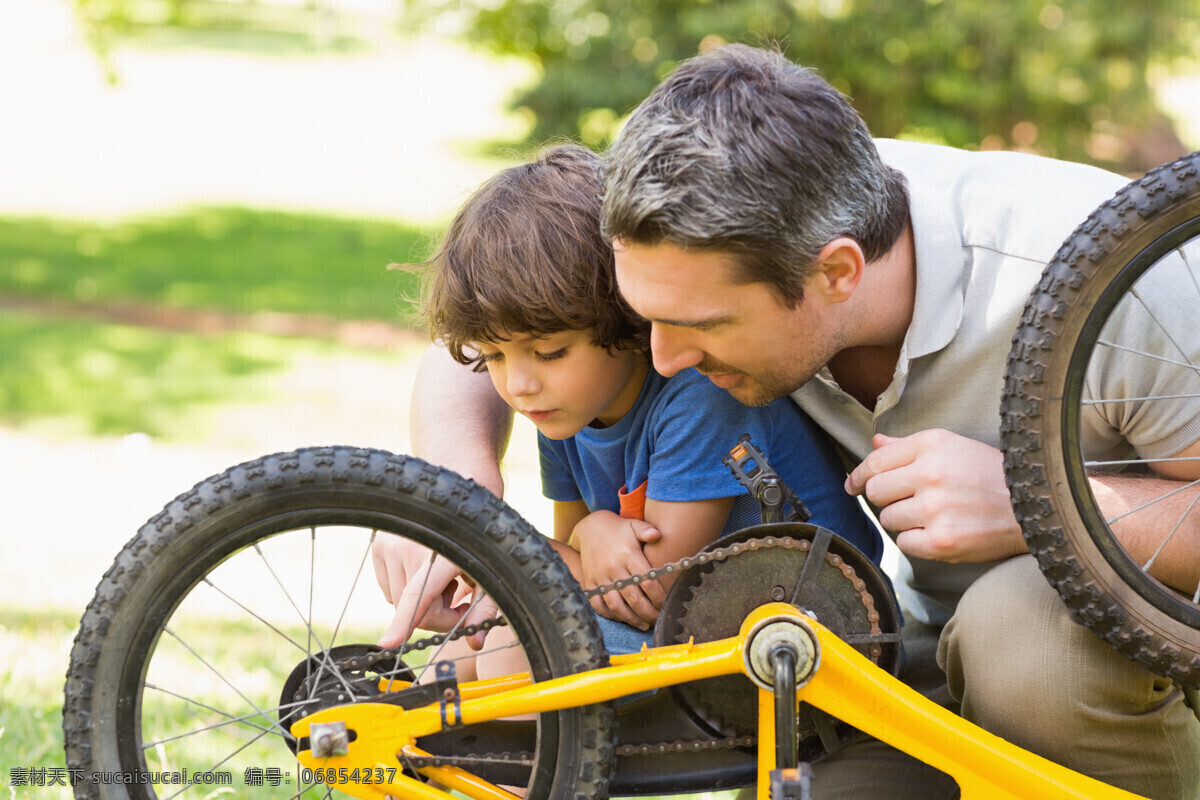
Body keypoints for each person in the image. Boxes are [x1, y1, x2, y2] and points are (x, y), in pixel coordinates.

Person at [408, 46, 1200, 798]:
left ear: (836, 274)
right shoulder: (695, 218)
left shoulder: (1111, 281)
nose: (664, 358)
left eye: (703, 327)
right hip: (897, 649)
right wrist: (456, 495)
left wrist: (1037, 502)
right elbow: (503, 306)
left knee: (1019, 640)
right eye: (642, 318)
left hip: (1112, 647)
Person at [373, 143, 881, 667]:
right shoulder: (560, 410)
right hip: (702, 619)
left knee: (511, 648)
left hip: (814, 628)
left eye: (549, 352)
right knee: (462, 645)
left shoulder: (700, 398)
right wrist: (573, 542)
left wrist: (509, 545)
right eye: (496, 357)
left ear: (626, 316)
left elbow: (650, 591)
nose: (518, 384)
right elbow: (576, 554)